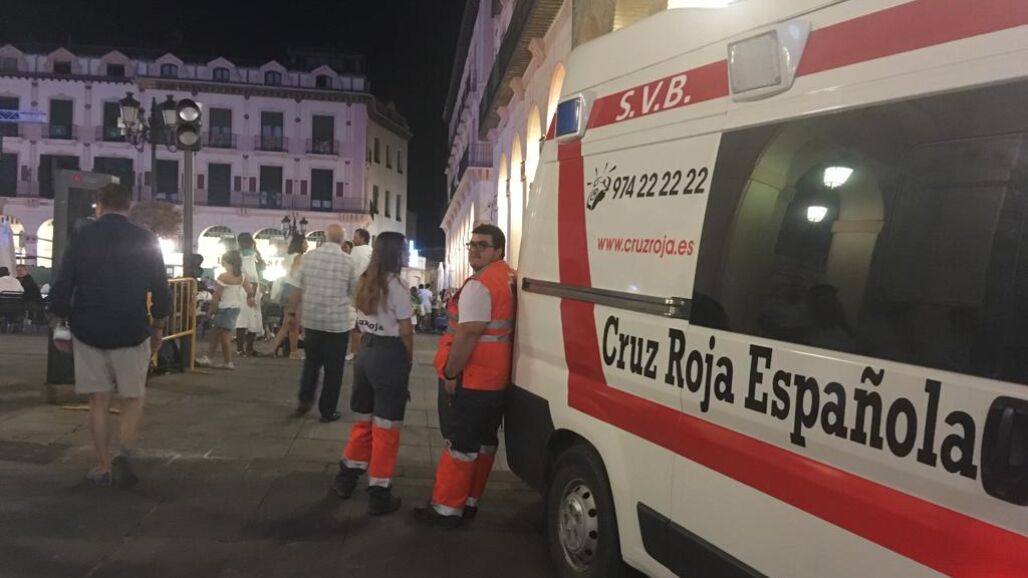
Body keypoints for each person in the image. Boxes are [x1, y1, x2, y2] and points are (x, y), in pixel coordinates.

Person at [48, 183, 171, 487]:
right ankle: (125, 452)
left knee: (98, 399)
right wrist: (158, 326)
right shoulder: (145, 238)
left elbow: (64, 281)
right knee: (132, 396)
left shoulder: (82, 236)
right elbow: (161, 287)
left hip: (89, 329)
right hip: (132, 328)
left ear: (99, 205)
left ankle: (103, 466)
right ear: (129, 206)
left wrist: (58, 320)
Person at [414, 224, 515, 528]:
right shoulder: (507, 277)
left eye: (483, 245)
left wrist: (451, 371)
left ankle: (446, 509)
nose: (474, 250)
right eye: (472, 244)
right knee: (484, 443)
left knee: (460, 444)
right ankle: (470, 501)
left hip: (472, 378)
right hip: (496, 379)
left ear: (498, 250)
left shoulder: (479, 285)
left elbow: (469, 333)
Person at [334, 232, 414, 515]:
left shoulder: (365, 281)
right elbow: (406, 331)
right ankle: (379, 492)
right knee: (386, 427)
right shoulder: (397, 286)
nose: (406, 254)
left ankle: (346, 477)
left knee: (363, 421)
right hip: (389, 355)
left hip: (366, 352)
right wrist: (407, 362)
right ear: (396, 253)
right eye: (404, 250)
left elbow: (359, 324)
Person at [292, 223, 359, 422]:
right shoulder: (348, 261)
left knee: (311, 364)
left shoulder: (309, 257)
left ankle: (305, 400)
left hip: (312, 320)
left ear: (325, 237)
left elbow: (296, 287)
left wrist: (292, 311)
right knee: (334, 369)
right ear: (342, 240)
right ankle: (327, 410)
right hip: (338, 323)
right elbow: (355, 291)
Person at [195, 251, 249, 370]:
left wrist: (211, 310)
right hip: (235, 308)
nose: (222, 263)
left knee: (224, 336)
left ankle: (228, 361)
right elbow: (249, 291)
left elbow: (216, 295)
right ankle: (209, 357)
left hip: (225, 308)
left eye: (223, 260)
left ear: (228, 262)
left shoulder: (223, 277)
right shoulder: (242, 276)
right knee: (216, 333)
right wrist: (250, 299)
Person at [268, 234, 307, 359]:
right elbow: (295, 273)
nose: (307, 245)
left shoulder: (287, 257)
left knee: (292, 323)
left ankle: (293, 351)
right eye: (305, 243)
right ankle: (275, 348)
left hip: (286, 288)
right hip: (295, 289)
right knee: (290, 322)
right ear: (300, 244)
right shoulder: (299, 257)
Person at [235, 232, 265, 357]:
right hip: (252, 287)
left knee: (241, 319)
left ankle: (240, 349)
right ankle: (249, 348)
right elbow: (261, 268)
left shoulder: (237, 254)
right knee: (254, 317)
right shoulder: (254, 254)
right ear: (252, 242)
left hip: (240, 288)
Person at [347, 228, 373, 361]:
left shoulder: (356, 251)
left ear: (362, 239)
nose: (353, 239)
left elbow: (350, 270)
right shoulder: (372, 251)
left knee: (356, 324)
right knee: (366, 323)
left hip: (357, 290)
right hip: (370, 291)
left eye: (356, 237)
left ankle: (354, 351)